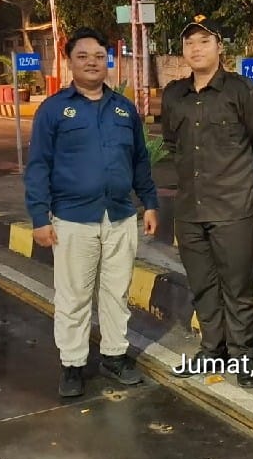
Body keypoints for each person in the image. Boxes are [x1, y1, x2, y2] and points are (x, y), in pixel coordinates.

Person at [23, 27, 160, 398]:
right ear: (69, 61)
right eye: (83, 56)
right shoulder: (54, 110)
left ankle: (114, 356)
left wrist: (150, 202)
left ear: (107, 61)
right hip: (72, 218)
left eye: (99, 56)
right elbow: (38, 166)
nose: (92, 63)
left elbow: (140, 160)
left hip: (120, 215)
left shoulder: (123, 109)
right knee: (74, 295)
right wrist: (39, 217)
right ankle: (73, 364)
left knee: (117, 292)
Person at [161, 15, 253, 388]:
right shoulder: (174, 95)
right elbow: (172, 145)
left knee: (237, 287)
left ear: (220, 47)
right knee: (202, 285)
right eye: (190, 42)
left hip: (233, 209)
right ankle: (212, 349)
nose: (196, 48)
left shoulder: (243, 92)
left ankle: (242, 356)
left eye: (204, 41)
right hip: (189, 210)